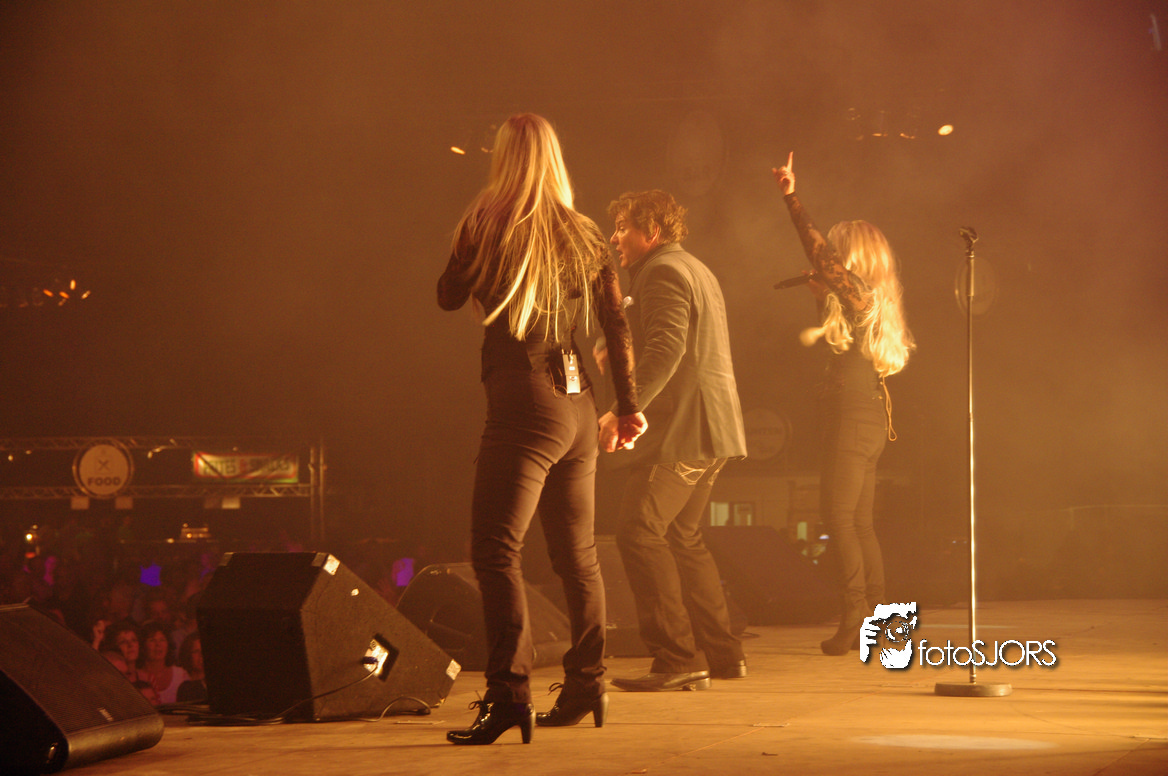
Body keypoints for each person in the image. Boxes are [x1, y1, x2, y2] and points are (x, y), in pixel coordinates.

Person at [437, 113, 646, 745]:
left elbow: (448, 294)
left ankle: (509, 695)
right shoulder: (585, 233)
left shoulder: (487, 222)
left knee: (495, 551)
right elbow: (616, 323)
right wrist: (627, 407)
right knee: (578, 556)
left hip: (525, 403)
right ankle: (587, 683)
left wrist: (471, 233)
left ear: (504, 159)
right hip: (579, 407)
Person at [598, 190, 748, 692]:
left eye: (623, 227)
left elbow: (668, 347)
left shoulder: (662, 271)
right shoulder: (693, 268)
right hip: (714, 429)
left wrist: (625, 408)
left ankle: (675, 659)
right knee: (683, 537)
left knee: (639, 532)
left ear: (652, 231)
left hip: (686, 430)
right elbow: (672, 342)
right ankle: (725, 655)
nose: (614, 237)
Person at [771, 152, 915, 655]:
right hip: (865, 417)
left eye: (834, 252)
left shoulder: (861, 293)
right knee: (858, 523)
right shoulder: (867, 299)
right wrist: (819, 295)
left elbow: (817, 251)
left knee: (838, 518)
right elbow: (843, 339)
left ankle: (856, 617)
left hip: (854, 418)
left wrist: (792, 198)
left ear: (848, 258)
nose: (825, 257)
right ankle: (880, 620)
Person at [138, 621, 189, 705]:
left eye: (162, 640)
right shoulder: (136, 676)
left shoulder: (181, 675)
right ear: (143, 646)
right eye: (152, 640)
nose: (158, 644)